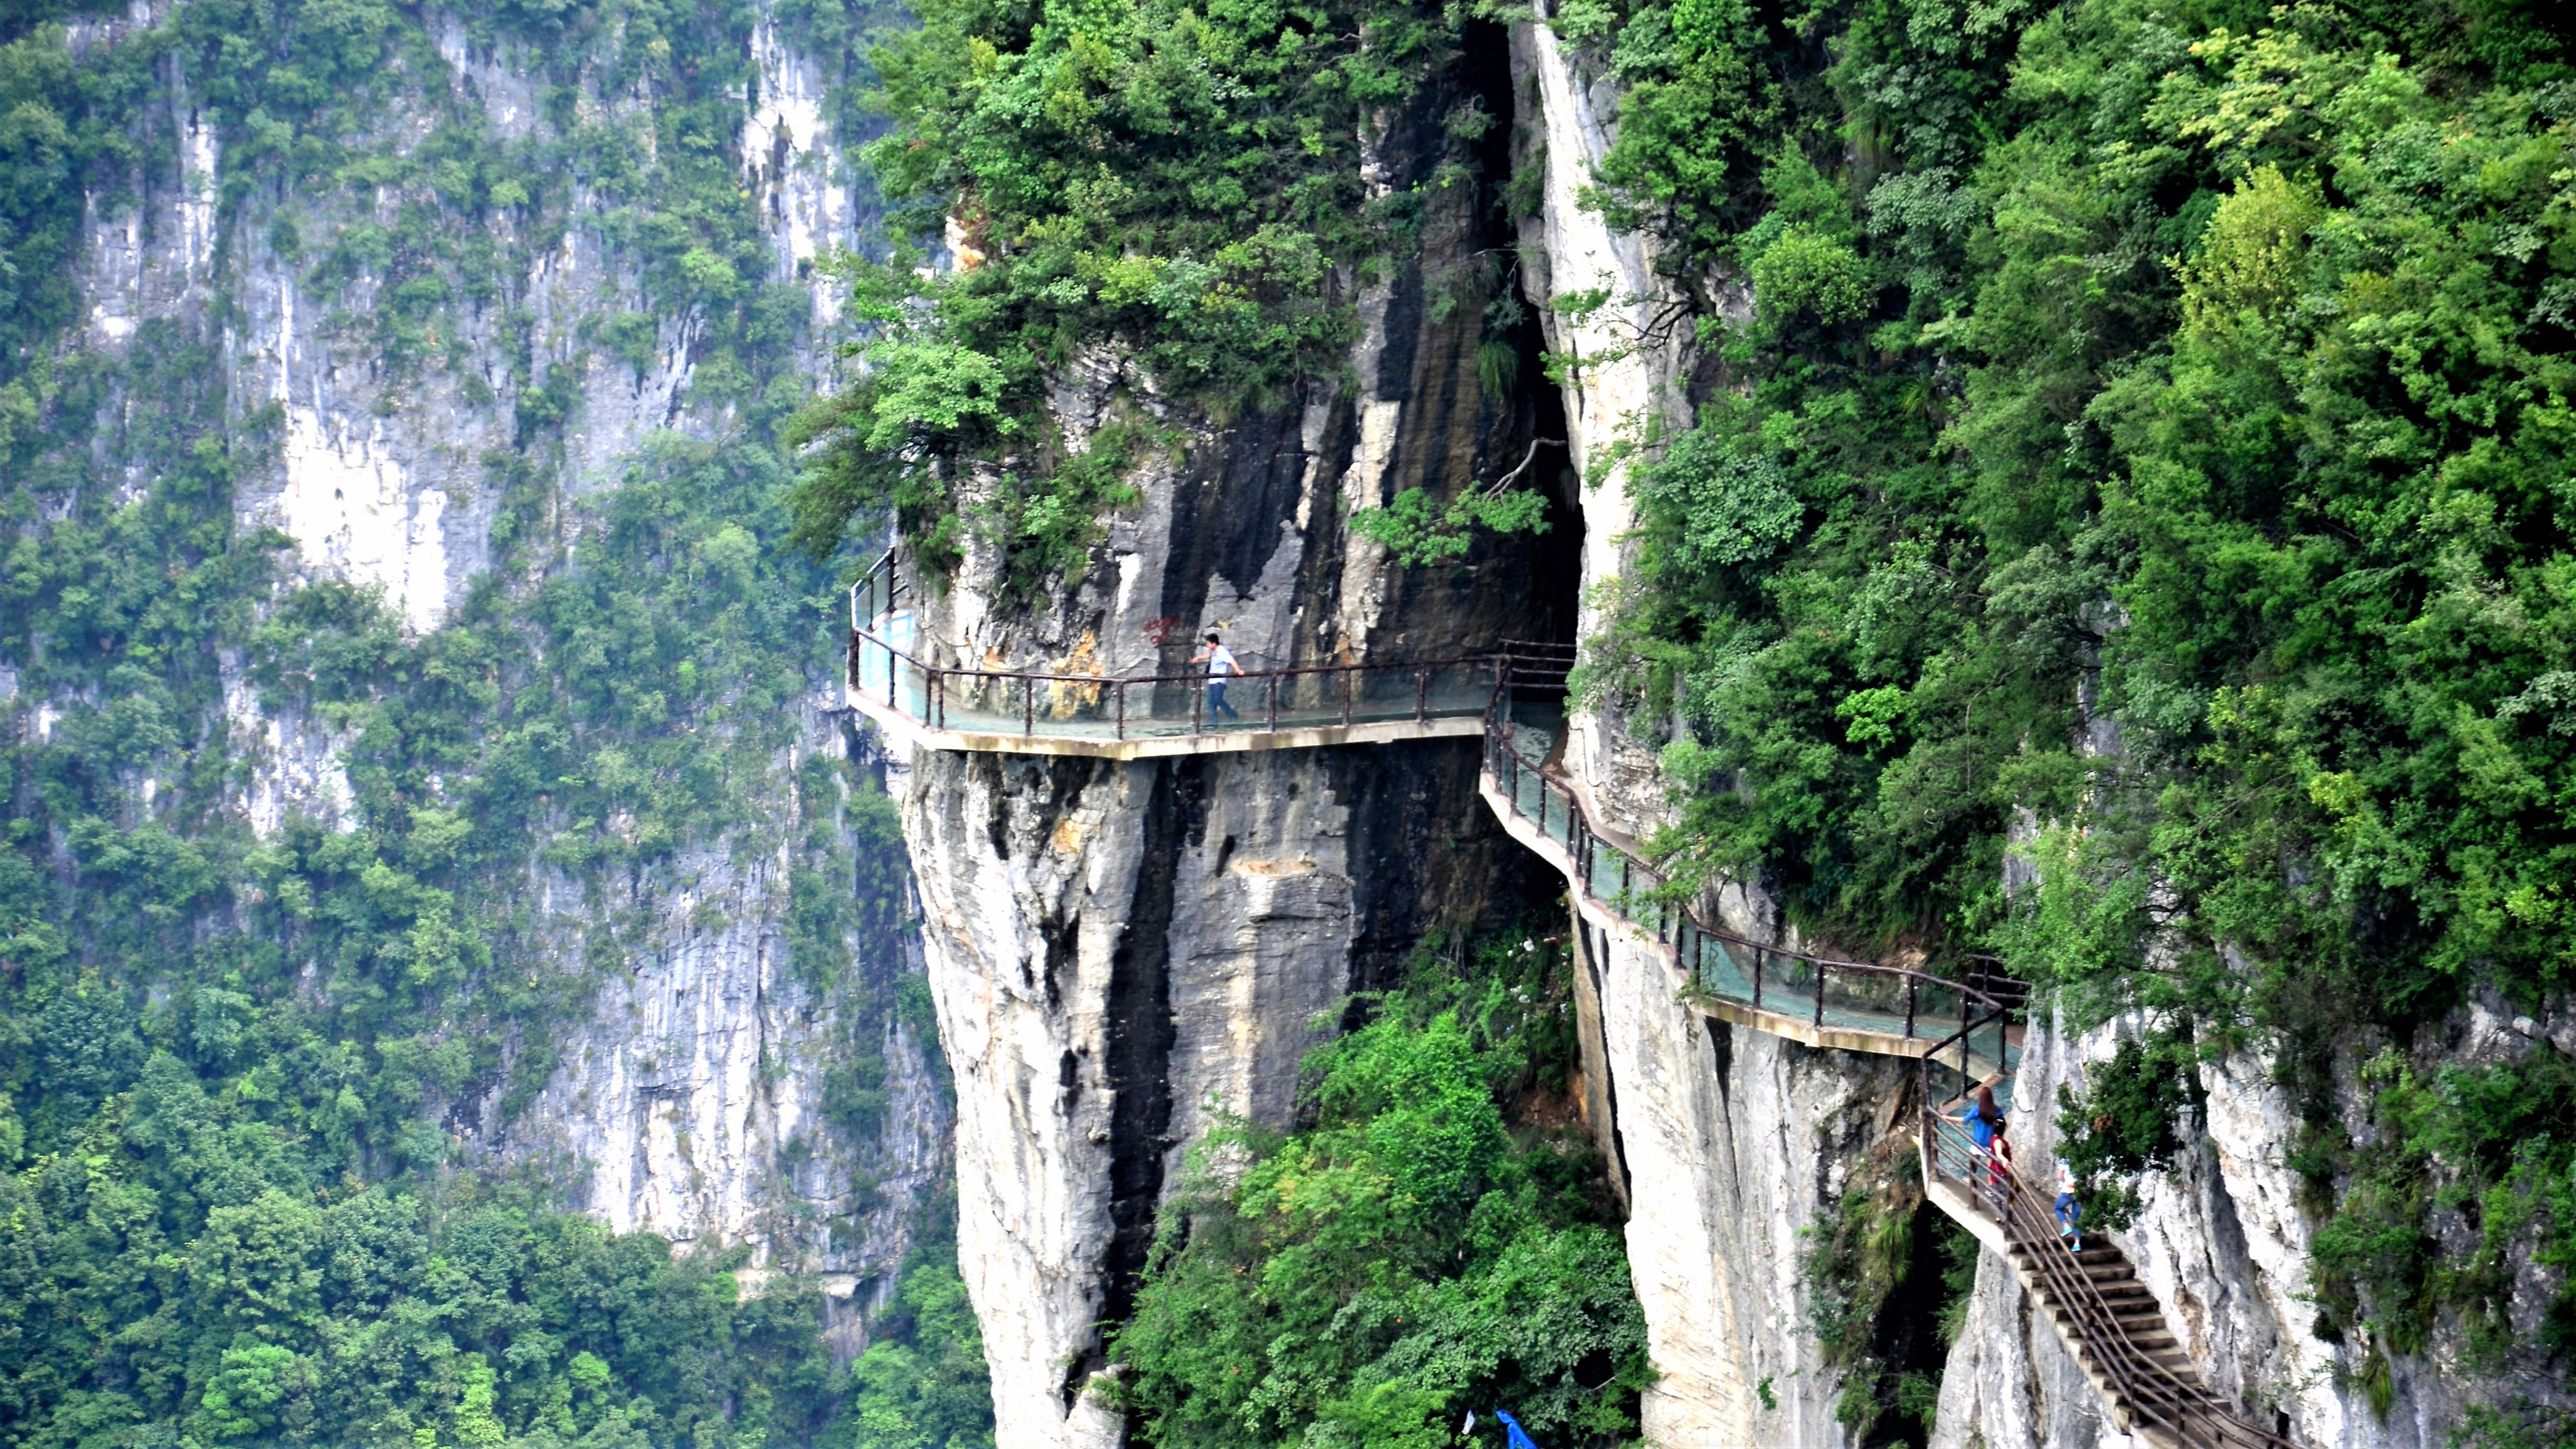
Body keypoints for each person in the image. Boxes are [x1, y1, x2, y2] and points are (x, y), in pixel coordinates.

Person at [1192, 630, 1241, 723]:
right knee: (1211, 702)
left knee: (1218, 699)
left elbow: (1231, 661)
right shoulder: (1213, 651)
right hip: (1212, 681)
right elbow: (1209, 655)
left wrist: (1238, 670)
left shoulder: (1222, 652)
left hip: (1219, 681)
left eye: (1208, 643)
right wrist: (1198, 658)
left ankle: (1233, 714)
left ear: (1214, 643)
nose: (1207, 645)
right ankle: (1214, 721)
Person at [2055, 1157, 2082, 1251]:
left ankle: (2066, 1226)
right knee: (2076, 1219)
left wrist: (2065, 1181)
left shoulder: (2065, 1160)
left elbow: (2059, 1176)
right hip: (2081, 1191)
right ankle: (2077, 1244)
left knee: (2058, 1208)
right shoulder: (2084, 1157)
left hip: (2069, 1190)